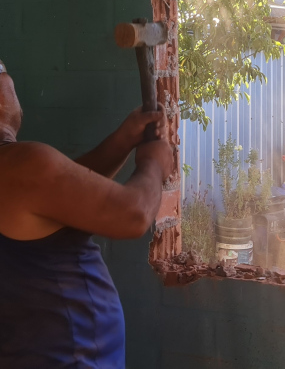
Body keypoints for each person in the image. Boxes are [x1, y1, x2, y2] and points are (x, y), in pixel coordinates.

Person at [0, 58, 173, 368]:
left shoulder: (17, 173)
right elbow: (132, 215)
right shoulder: (22, 164)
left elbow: (58, 197)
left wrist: (122, 141)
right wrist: (154, 165)